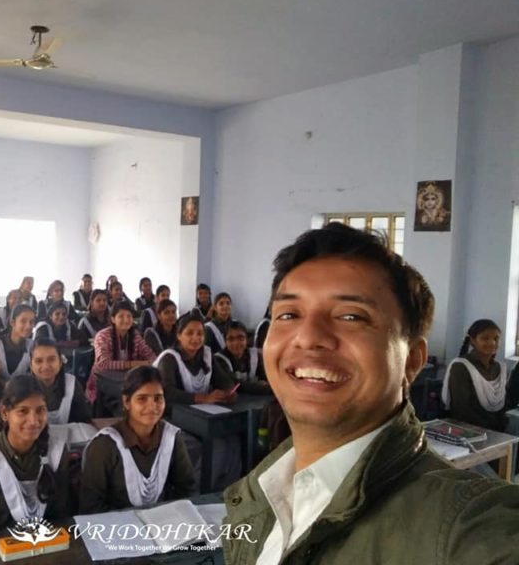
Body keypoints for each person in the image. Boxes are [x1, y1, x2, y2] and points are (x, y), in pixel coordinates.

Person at [222, 222, 519, 565]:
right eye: (289, 314)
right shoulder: (258, 491)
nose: (309, 336)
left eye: (351, 316)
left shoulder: (461, 526)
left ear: (412, 360)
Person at [0, 375, 70, 538]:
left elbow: (62, 519)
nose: (33, 421)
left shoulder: (56, 452)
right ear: (4, 413)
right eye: (23, 411)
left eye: (40, 410)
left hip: (47, 546)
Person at [79, 366, 195, 513]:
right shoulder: (104, 445)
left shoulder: (171, 437)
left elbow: (186, 489)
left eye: (158, 398)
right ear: (126, 402)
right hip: (115, 523)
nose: (152, 407)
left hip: (162, 520)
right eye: (142, 399)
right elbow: (91, 506)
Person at [153, 311, 236, 411]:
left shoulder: (206, 354)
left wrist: (228, 392)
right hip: (170, 413)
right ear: (179, 335)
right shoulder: (169, 358)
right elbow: (167, 392)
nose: (195, 338)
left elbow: (223, 379)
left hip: (199, 411)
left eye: (200, 333)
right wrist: (202, 398)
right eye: (189, 333)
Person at [442, 319, 508, 431]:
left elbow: (504, 405)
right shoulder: (460, 366)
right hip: (466, 430)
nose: (492, 343)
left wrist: (503, 429)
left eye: (496, 339)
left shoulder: (499, 368)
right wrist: (489, 431)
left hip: (496, 430)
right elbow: (462, 410)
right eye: (485, 338)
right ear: (473, 341)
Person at [86, 301, 156, 403]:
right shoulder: (102, 336)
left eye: (129, 316)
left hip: (127, 380)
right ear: (113, 319)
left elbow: (151, 355)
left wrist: (150, 361)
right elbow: (103, 364)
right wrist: (134, 364)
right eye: (121, 316)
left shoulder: (135, 335)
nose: (126, 320)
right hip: (102, 382)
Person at [30, 339, 91, 424]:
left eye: (51, 359)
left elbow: (84, 420)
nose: (45, 366)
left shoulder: (71, 384)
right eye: (39, 361)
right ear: (31, 365)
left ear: (60, 362)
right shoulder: (23, 387)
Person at [213, 320, 271, 395]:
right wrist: (265, 388)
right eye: (231, 339)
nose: (236, 343)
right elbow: (235, 385)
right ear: (225, 341)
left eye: (240, 338)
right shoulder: (219, 359)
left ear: (247, 339)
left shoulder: (255, 355)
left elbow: (266, 378)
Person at [0, 305, 35, 380]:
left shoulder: (33, 347)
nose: (28, 326)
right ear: (12, 323)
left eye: (32, 322)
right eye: (23, 321)